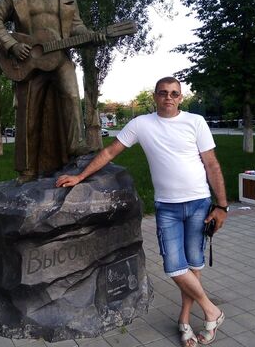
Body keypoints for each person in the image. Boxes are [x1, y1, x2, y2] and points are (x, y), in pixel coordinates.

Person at [56, 77, 228, 346]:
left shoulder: (195, 122)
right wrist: (80, 176)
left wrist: (222, 206)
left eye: (174, 93)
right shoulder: (141, 124)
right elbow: (110, 152)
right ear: (155, 96)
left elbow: (212, 164)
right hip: (167, 207)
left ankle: (184, 321)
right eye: (163, 93)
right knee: (175, 267)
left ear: (181, 97)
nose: (169, 97)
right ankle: (212, 311)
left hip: (199, 204)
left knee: (193, 266)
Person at [0, 0, 104, 183]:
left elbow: (76, 26)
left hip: (59, 57)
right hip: (29, 61)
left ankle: (75, 146)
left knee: (71, 95)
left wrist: (90, 35)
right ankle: (27, 169)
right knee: (29, 114)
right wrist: (11, 45)